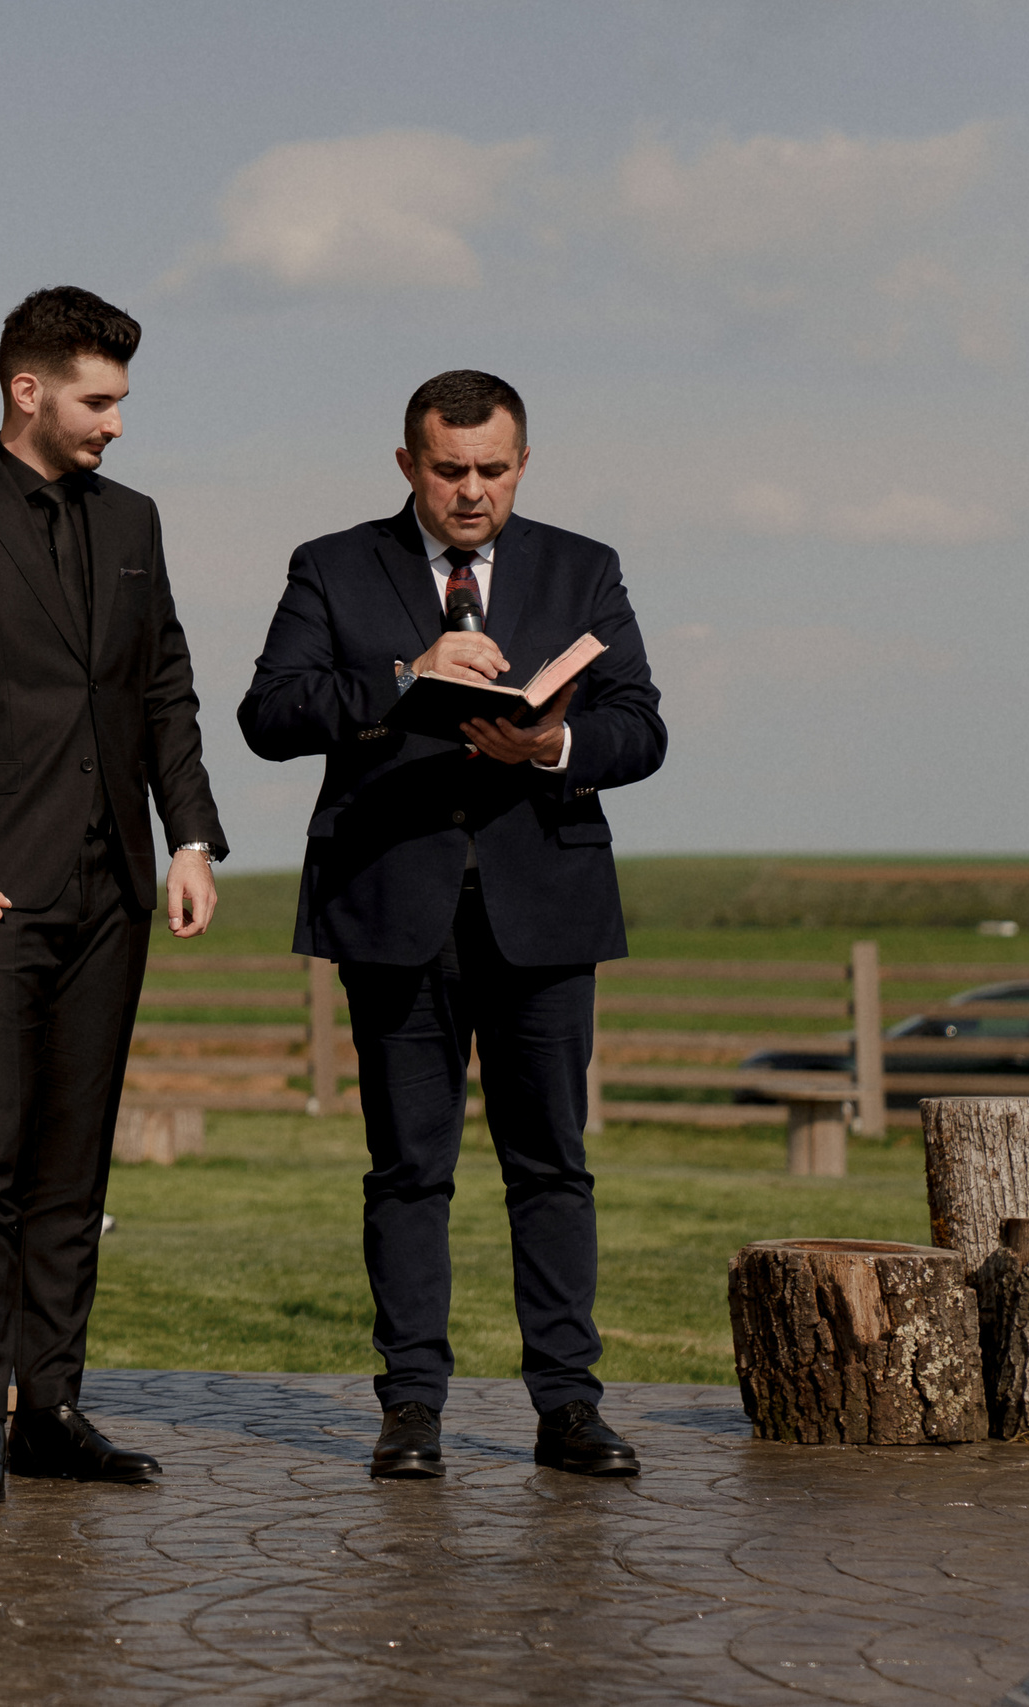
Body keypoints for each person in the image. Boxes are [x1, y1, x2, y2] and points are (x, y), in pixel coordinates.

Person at [237, 370, 667, 1481]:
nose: (471, 492)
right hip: (392, 905)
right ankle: (412, 1411)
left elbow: (639, 725)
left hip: (545, 904)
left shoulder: (585, 568)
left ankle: (568, 1408)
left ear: (523, 463)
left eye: (493, 469)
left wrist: (555, 748)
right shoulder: (332, 565)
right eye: (448, 470)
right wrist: (399, 678)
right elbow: (270, 714)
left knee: (552, 1168)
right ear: (406, 464)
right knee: (407, 1172)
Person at [0, 287, 228, 1507]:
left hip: (112, 885)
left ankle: (52, 1410)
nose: (116, 424)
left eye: (121, 401)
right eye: (98, 399)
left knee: (73, 1165)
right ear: (27, 390)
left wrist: (188, 835)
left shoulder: (133, 519)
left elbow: (163, 684)